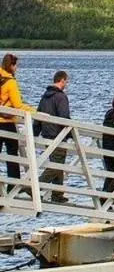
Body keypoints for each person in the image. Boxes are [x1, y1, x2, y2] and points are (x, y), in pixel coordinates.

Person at [0, 53, 36, 189]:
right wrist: (33, 111)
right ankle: (14, 185)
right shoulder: (10, 82)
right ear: (11, 66)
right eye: (16, 66)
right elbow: (17, 105)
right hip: (7, 122)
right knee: (12, 153)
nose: (17, 69)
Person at [36, 69, 70, 204]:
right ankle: (34, 186)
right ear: (62, 80)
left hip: (46, 134)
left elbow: (38, 116)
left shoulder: (45, 96)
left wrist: (34, 133)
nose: (66, 84)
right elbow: (64, 118)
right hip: (58, 135)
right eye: (66, 81)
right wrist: (69, 133)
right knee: (57, 165)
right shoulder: (61, 97)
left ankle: (57, 194)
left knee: (58, 163)